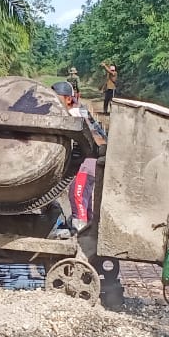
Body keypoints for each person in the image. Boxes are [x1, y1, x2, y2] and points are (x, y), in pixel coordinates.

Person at [51, 80, 105, 229]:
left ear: (68, 99)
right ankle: (87, 229)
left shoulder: (75, 113)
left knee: (78, 194)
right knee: (84, 197)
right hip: (88, 163)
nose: (52, 101)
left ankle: (79, 230)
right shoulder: (76, 110)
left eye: (56, 98)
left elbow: (96, 139)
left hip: (89, 162)